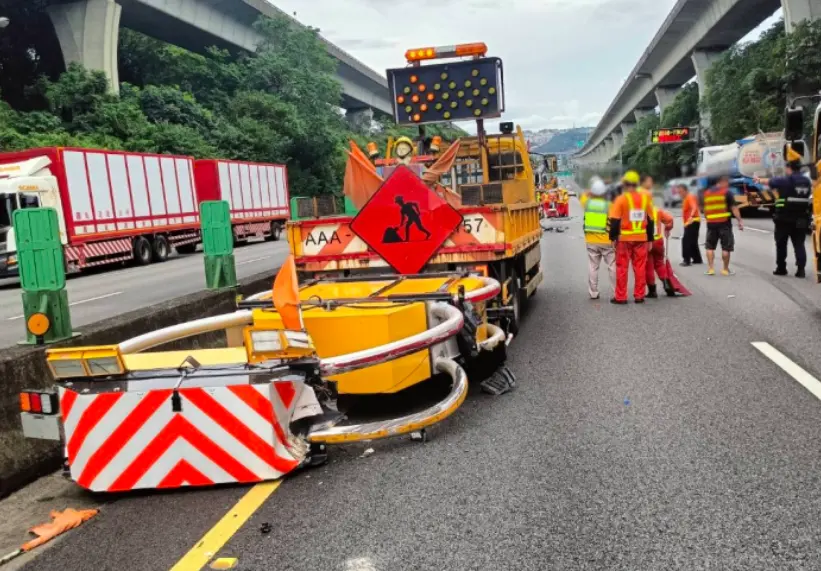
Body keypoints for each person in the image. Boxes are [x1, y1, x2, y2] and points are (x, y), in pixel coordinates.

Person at [755, 147, 812, 278]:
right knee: (799, 244)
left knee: (781, 244)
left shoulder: (785, 180)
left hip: (784, 218)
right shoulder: (806, 181)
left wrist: (759, 180)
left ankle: (781, 268)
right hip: (801, 218)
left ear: (789, 168)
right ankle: (801, 270)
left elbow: (769, 182)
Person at [608, 170, 655, 304]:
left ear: (624, 184)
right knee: (640, 267)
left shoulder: (620, 200)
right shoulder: (645, 199)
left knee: (622, 268)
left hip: (624, 239)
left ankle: (621, 297)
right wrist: (650, 239)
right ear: (637, 184)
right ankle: (639, 295)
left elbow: (615, 221)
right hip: (642, 238)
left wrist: (613, 238)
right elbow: (651, 220)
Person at [580, 177, 615, 299]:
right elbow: (614, 222)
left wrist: (592, 189)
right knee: (612, 266)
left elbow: (584, 194)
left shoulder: (587, 203)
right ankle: (616, 292)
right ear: (604, 193)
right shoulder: (609, 205)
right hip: (607, 241)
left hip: (591, 241)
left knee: (593, 266)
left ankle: (593, 292)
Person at [702, 175, 743, 276]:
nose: (728, 184)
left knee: (710, 247)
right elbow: (734, 208)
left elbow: (705, 210)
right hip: (724, 224)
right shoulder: (727, 192)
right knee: (726, 247)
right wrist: (740, 221)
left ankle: (711, 269)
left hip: (711, 224)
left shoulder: (707, 193)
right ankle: (725, 270)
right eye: (727, 182)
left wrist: (709, 219)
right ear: (722, 181)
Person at [646, 205, 676, 298]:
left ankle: (652, 291)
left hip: (646, 242)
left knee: (648, 267)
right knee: (659, 264)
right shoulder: (656, 210)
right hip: (658, 241)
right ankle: (668, 286)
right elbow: (670, 219)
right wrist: (668, 229)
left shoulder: (639, 210)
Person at [679, 182, 703, 266]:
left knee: (686, 240)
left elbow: (694, 207)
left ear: (686, 191)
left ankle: (686, 260)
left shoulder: (690, 197)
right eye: (679, 192)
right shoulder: (686, 198)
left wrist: (691, 216)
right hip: (690, 222)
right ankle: (697, 259)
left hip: (692, 221)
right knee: (693, 241)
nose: (680, 194)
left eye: (681, 191)